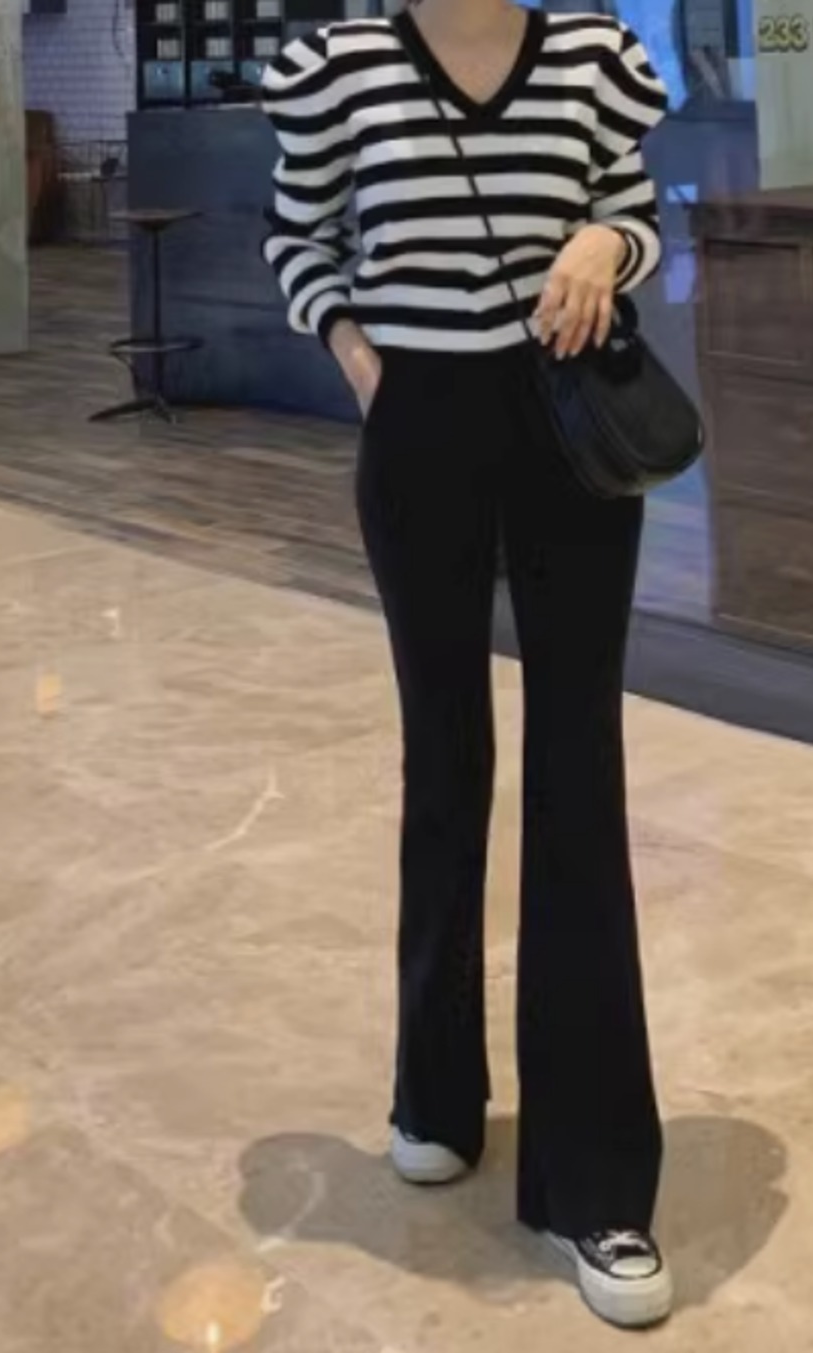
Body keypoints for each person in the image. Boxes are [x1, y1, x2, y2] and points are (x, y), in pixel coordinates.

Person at [261, 0, 671, 1328]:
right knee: (444, 759)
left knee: (578, 773)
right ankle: (433, 1091)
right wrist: (360, 359)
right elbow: (298, 235)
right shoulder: (339, 65)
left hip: (569, 421)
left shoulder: (596, 56)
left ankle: (598, 1179)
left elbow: (640, 215)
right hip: (420, 427)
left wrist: (606, 241)